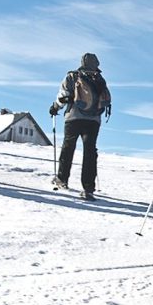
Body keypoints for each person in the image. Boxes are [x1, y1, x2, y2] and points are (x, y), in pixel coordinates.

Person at [49, 53, 110, 201]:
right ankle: (88, 188)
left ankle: (62, 179)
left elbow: (63, 95)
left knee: (68, 147)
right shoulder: (100, 79)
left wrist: (55, 107)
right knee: (90, 151)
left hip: (74, 118)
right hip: (94, 120)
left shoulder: (72, 76)